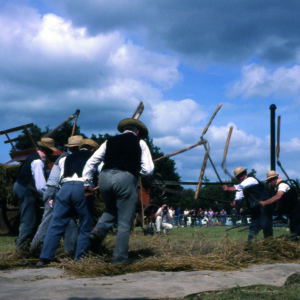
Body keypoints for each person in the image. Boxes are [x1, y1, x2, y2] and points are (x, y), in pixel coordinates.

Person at [83, 118, 154, 265]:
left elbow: (91, 162)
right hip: (125, 178)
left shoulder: (109, 141)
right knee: (125, 220)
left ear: (123, 130)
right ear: (138, 131)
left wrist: (87, 182)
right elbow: (148, 169)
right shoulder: (140, 142)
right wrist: (133, 170)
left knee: (111, 210)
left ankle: (98, 231)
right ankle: (119, 259)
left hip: (104, 177)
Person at [36, 139, 99, 267]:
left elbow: (60, 177)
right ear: (93, 149)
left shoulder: (66, 157)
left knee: (56, 224)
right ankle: (80, 258)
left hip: (64, 189)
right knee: (85, 224)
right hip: (82, 188)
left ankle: (44, 258)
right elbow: (100, 173)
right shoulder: (94, 156)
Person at [30, 136, 83, 254]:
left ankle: (70, 249)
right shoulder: (66, 158)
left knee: (69, 219)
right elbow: (62, 178)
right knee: (48, 219)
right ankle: (35, 248)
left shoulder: (68, 157)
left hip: (59, 189)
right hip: (55, 190)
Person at [13, 137, 58, 249]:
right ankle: (21, 247)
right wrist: (48, 198)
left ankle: (30, 242)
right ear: (47, 150)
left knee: (36, 215)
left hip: (23, 186)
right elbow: (40, 186)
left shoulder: (34, 157)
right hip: (25, 189)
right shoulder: (37, 161)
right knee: (29, 218)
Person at [223, 167, 272, 242]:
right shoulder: (242, 184)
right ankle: (250, 243)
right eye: (237, 177)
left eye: (240, 176)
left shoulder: (251, 179)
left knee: (265, 225)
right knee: (254, 225)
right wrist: (235, 202)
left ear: (245, 174)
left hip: (264, 205)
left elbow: (241, 187)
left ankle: (269, 242)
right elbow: (239, 195)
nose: (239, 178)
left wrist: (228, 189)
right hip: (254, 207)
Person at [260, 170, 300, 239]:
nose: (269, 183)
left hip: (296, 209)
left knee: (296, 229)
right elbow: (280, 201)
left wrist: (266, 202)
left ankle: (295, 243)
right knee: (294, 229)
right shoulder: (277, 187)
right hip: (291, 210)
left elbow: (278, 196)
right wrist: (277, 209)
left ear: (275, 179)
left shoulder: (282, 185)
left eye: (270, 181)